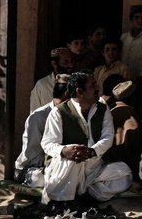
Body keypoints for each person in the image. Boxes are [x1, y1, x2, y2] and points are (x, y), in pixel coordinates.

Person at [40, 72, 133, 204]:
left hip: (92, 167)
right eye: (92, 85)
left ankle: (87, 197)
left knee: (124, 172)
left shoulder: (102, 109)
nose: (98, 88)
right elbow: (48, 143)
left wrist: (92, 152)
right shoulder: (59, 112)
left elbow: (108, 137)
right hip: (66, 167)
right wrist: (65, 151)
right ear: (79, 91)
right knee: (73, 161)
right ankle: (62, 204)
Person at [15, 74, 69, 187]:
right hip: (34, 167)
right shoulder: (39, 116)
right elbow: (32, 155)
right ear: (67, 94)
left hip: (58, 163)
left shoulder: (71, 115)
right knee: (39, 180)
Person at [30, 47, 74, 113]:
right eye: (66, 61)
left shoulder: (76, 84)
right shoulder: (42, 85)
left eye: (71, 61)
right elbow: (35, 113)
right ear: (54, 64)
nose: (71, 65)